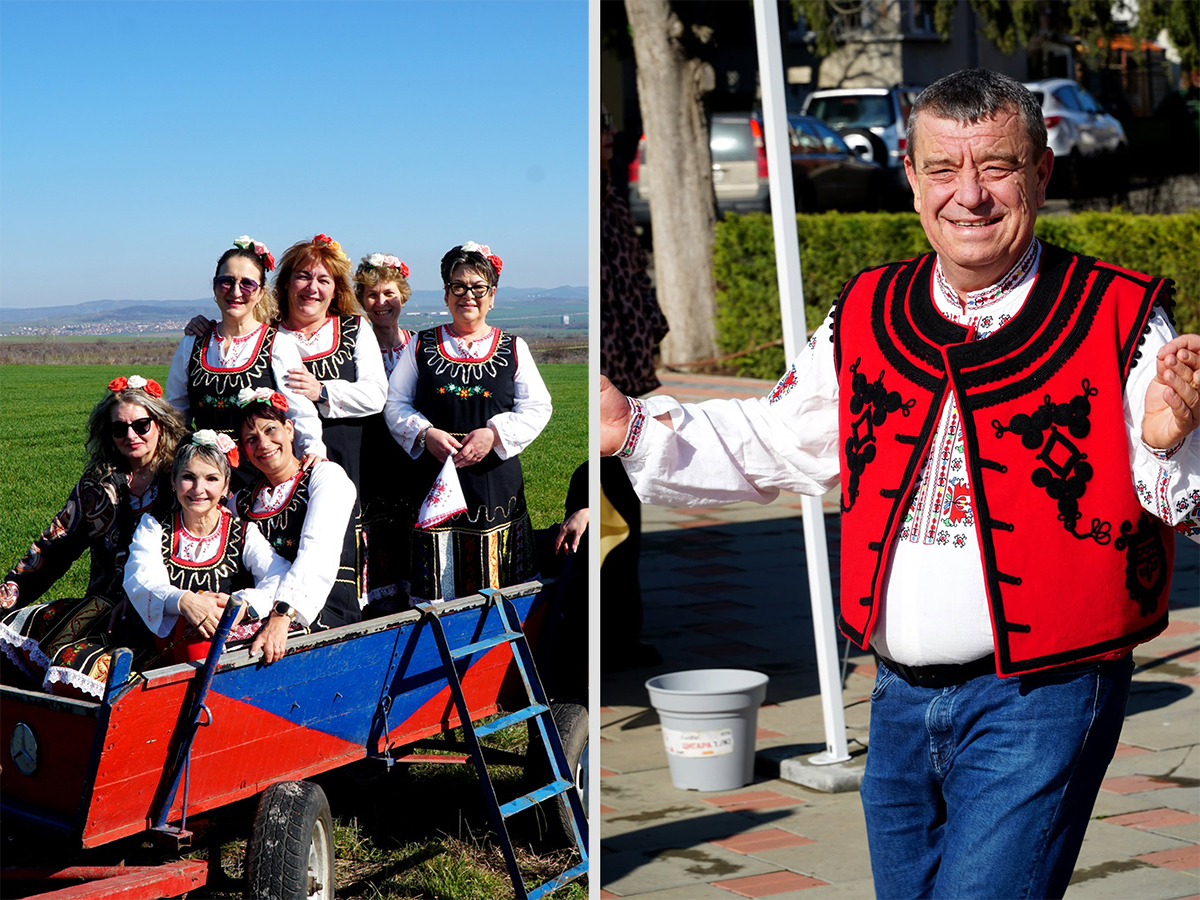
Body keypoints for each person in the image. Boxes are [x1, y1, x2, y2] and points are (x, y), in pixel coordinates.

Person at [600, 69, 1200, 900]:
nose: (970, 195)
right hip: (894, 698)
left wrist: (1175, 440)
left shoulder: (1117, 314)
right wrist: (630, 428)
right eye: (943, 168)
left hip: (1042, 696)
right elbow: (782, 437)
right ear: (912, 177)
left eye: (996, 166)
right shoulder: (868, 307)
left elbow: (1180, 496)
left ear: (1041, 172)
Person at [384, 242, 552, 601]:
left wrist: (494, 434)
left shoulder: (513, 347)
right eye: (458, 286)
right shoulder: (421, 345)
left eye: (478, 287)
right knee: (436, 586)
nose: (468, 296)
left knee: (499, 584)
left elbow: (538, 407)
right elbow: (395, 403)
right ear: (446, 294)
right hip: (432, 477)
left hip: (494, 483)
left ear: (492, 296)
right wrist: (425, 433)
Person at [0, 376, 187, 698]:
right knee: (13, 636)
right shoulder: (97, 484)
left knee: (77, 664)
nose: (131, 436)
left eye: (141, 425)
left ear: (161, 425)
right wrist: (7, 596)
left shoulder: (184, 480)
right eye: (119, 428)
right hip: (102, 606)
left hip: (162, 610)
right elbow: (54, 546)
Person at [167, 236, 325, 487]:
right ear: (214, 288)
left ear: (261, 293)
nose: (236, 292)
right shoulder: (192, 344)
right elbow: (176, 414)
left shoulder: (277, 344)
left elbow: (299, 412)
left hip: (262, 479)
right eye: (226, 282)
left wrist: (312, 449)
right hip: (206, 483)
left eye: (247, 284)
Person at [123, 432, 291, 666]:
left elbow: (278, 575)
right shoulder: (154, 527)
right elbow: (141, 578)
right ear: (173, 481)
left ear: (226, 486)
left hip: (219, 651)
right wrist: (183, 601)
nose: (198, 489)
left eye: (211, 478)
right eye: (188, 477)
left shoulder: (243, 532)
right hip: (157, 649)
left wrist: (243, 605)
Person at [600, 102, 668, 670]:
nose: (606, 137)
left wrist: (652, 326)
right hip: (599, 391)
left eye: (607, 128)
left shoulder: (614, 201)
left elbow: (634, 280)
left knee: (628, 509)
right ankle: (602, 636)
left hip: (629, 383)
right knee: (601, 518)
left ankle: (624, 633)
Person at [233, 388, 361, 660]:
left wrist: (283, 614)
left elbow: (318, 549)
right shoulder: (242, 502)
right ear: (245, 451)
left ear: (289, 430)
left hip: (325, 609)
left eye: (270, 430)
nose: (264, 443)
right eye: (251, 439)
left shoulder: (325, 476)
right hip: (265, 609)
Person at [272, 234, 388, 492]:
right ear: (287, 282)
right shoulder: (267, 335)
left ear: (335, 290)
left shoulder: (354, 329)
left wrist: (322, 391)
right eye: (303, 276)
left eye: (323, 280)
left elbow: (376, 395)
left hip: (350, 460)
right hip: (285, 469)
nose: (312, 288)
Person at [354, 253, 416, 606]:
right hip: (371, 457)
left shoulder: (418, 344)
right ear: (362, 300)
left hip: (413, 461)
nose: (381, 302)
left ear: (402, 296)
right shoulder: (355, 350)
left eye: (389, 293)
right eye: (372, 295)